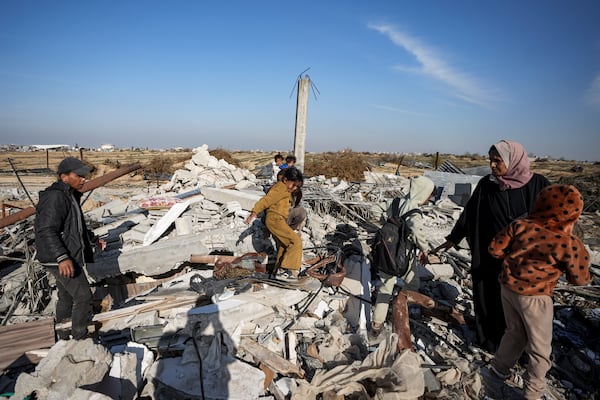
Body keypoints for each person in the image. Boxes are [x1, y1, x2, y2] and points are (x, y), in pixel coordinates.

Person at [434, 140, 550, 351]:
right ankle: (490, 342)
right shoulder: (487, 185)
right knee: (490, 296)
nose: (493, 165)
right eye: (490, 160)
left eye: (498, 161)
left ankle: (522, 350)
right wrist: (453, 238)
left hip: (524, 260)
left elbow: (557, 217)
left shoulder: (539, 184)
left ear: (513, 160)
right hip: (491, 256)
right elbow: (469, 214)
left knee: (522, 303)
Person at [486, 185, 591, 400]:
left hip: (508, 289)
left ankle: (497, 372)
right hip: (536, 297)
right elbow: (579, 279)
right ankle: (532, 394)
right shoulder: (568, 243)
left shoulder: (520, 225)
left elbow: (494, 249)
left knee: (514, 332)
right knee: (539, 349)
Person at [35, 157, 105, 340]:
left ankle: (63, 334)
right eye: (79, 175)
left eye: (84, 176)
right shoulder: (55, 197)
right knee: (83, 297)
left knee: (66, 296)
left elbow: (76, 226)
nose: (83, 179)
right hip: (59, 257)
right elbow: (46, 229)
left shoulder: (70, 195)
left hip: (65, 254)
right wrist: (62, 257)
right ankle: (79, 336)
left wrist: (93, 239)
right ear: (64, 177)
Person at [370, 175, 436, 337]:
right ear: (423, 192)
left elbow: (374, 209)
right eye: (428, 195)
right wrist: (425, 249)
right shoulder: (414, 210)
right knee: (412, 284)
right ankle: (405, 315)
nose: (428, 199)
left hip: (387, 252)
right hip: (404, 257)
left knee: (385, 288)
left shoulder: (396, 203)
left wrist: (388, 223)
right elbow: (415, 231)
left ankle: (376, 325)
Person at [246, 167, 304, 278]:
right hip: (275, 219)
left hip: (278, 219)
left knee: (284, 245)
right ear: (286, 180)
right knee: (295, 241)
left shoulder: (285, 189)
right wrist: (254, 212)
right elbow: (266, 200)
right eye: (294, 184)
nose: (294, 188)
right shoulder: (280, 188)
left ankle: (277, 272)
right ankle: (287, 270)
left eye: (297, 186)